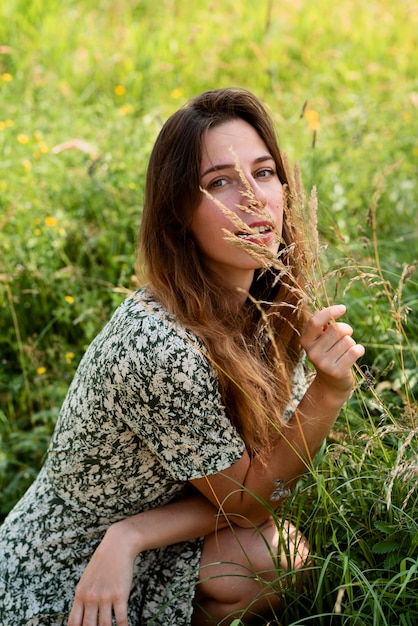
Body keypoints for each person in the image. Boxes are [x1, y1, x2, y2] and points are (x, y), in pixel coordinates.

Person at [0, 87, 364, 626]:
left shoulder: (264, 304)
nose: (253, 198)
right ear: (180, 213)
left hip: (136, 539)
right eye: (219, 183)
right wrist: (329, 391)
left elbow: (261, 477)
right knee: (268, 553)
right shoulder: (158, 345)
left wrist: (135, 532)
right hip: (65, 570)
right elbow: (249, 500)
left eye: (264, 173)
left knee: (272, 555)